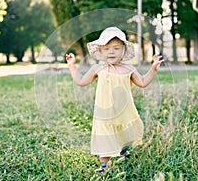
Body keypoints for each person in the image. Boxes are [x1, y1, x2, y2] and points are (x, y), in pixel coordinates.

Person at [65, 26, 163, 173]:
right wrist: (72, 66)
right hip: (104, 113)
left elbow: (142, 83)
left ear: (124, 50)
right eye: (106, 48)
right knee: (104, 135)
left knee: (124, 131)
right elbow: (80, 81)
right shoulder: (98, 69)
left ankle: (123, 150)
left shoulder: (129, 69)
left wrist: (153, 68)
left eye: (116, 48)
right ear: (100, 51)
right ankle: (103, 165)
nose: (111, 52)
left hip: (124, 110)